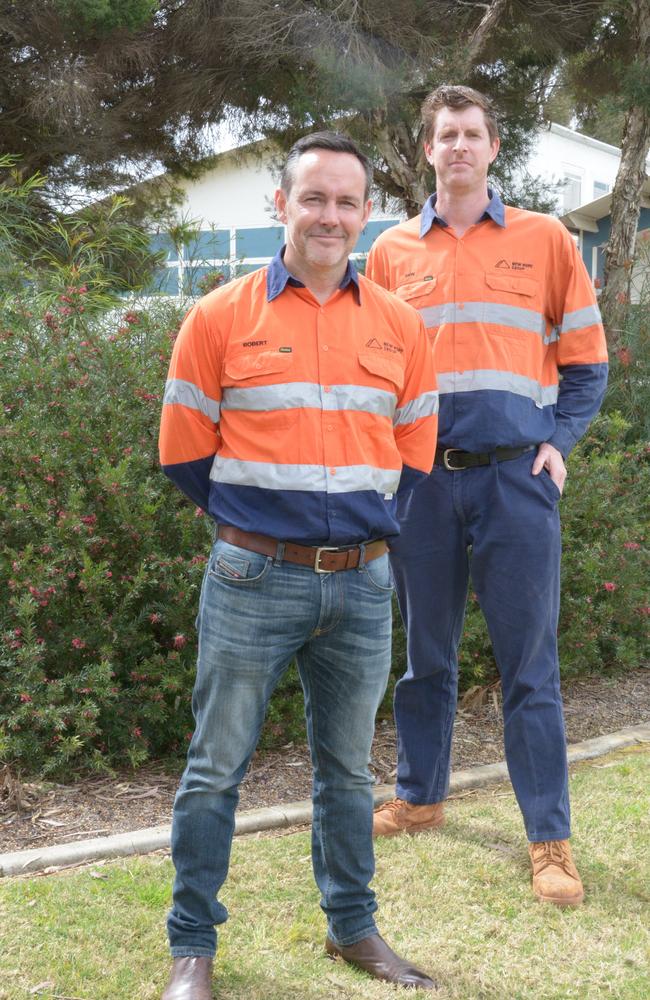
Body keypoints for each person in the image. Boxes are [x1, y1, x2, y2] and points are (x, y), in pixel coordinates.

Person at [157, 131, 440, 999]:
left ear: (365, 213)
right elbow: (183, 453)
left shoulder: (398, 324)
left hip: (361, 583)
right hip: (251, 580)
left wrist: (363, 535)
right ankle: (192, 948)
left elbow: (417, 450)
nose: (329, 215)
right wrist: (257, 527)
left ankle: (353, 930)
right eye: (312, 198)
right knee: (216, 766)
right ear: (280, 205)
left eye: (347, 201)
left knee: (347, 771)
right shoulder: (218, 316)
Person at [367, 86, 608, 908]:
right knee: (424, 657)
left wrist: (557, 444)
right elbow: (372, 371)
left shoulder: (544, 240)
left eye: (473, 133)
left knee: (529, 668)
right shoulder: (392, 251)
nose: (459, 145)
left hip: (516, 482)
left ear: (493, 148)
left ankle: (549, 840)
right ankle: (420, 796)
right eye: (446, 134)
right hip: (424, 482)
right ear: (428, 149)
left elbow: (586, 363)